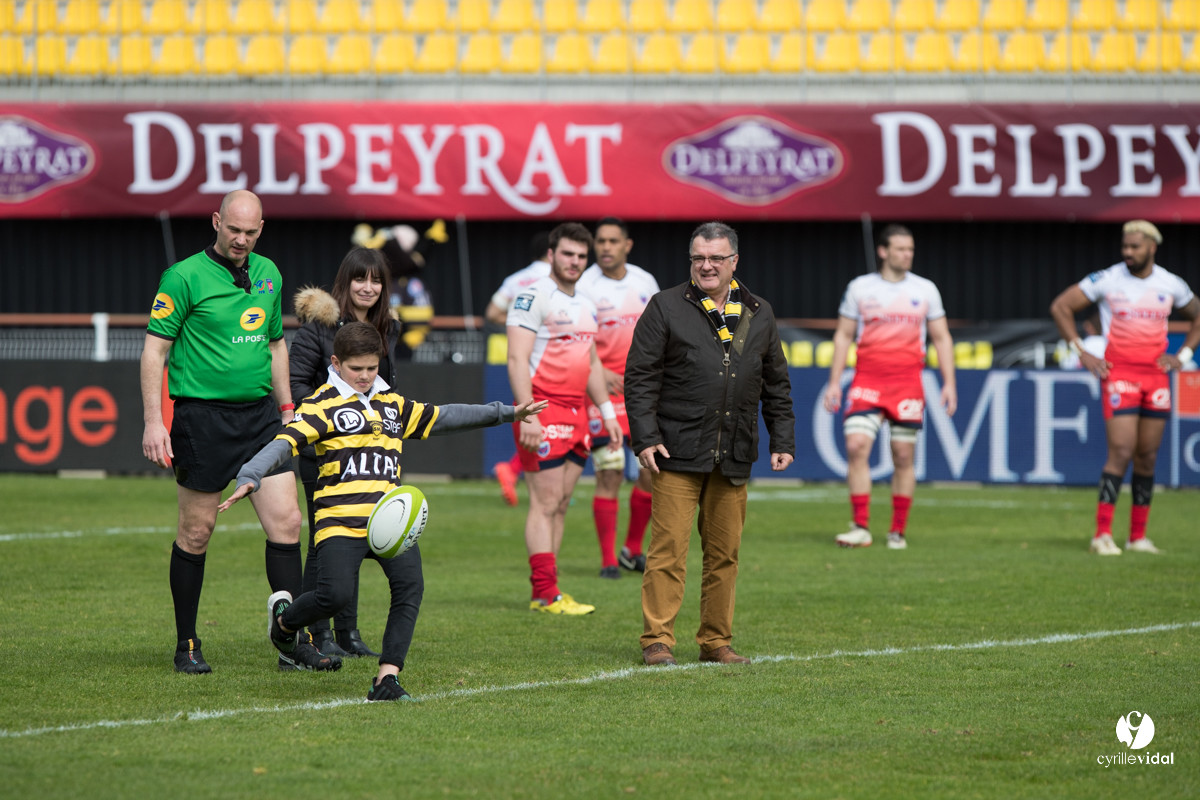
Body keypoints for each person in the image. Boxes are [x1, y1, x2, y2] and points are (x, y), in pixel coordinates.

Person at [219, 322, 547, 700]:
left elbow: (443, 417)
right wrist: (251, 474)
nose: (364, 376)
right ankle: (285, 624)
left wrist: (505, 413)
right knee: (334, 597)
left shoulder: (393, 404)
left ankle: (386, 678)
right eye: (356, 368)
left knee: (410, 587)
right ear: (336, 363)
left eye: (372, 368)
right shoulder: (320, 406)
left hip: (389, 520)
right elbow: (283, 443)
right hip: (339, 522)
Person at [141, 189, 337, 674]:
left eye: (251, 232)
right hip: (201, 420)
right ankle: (186, 643)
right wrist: (153, 421)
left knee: (288, 523)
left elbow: (275, 347)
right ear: (216, 222)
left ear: (261, 229)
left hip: (261, 419)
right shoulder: (183, 276)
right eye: (234, 230)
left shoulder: (269, 273)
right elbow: (154, 352)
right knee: (197, 530)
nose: (242, 240)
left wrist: (288, 407)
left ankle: (290, 641)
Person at [625, 221, 794, 666]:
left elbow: (776, 382)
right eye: (699, 258)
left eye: (716, 258)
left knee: (725, 556)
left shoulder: (760, 311)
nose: (706, 266)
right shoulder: (664, 306)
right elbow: (640, 377)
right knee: (668, 553)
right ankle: (657, 641)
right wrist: (644, 437)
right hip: (675, 453)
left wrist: (783, 437)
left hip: (734, 452)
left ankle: (716, 641)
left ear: (734, 261)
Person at [1049, 220, 1200, 556]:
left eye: (1134, 246)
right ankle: (1102, 534)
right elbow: (1061, 307)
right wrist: (1083, 352)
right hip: (1120, 375)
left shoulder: (1170, 284)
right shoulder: (1107, 279)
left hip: (1156, 376)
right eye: (1125, 246)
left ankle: (1137, 536)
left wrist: (1184, 354)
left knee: (1147, 457)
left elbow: (1197, 315)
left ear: (1152, 247)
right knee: (1121, 450)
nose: (1127, 252)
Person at [289, 246, 401, 658]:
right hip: (325, 454)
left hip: (371, 460)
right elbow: (297, 385)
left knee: (358, 540)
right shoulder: (318, 326)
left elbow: (387, 391)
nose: (368, 287)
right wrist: (333, 419)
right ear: (345, 282)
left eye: (376, 280)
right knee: (325, 543)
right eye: (360, 278)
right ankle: (317, 635)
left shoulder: (388, 328)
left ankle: (348, 634)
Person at [507, 223, 622, 615]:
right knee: (545, 501)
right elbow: (516, 358)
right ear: (552, 254)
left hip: (577, 413)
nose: (574, 262)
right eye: (567, 254)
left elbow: (590, 361)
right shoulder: (532, 296)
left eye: (580, 256)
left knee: (561, 503)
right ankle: (544, 592)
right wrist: (526, 413)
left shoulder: (586, 302)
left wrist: (606, 413)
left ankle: (549, 592)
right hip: (542, 407)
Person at [823, 224, 957, 551]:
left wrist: (949, 382)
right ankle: (860, 526)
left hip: (907, 382)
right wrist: (833, 382)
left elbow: (941, 337)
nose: (906, 254)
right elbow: (843, 335)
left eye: (910, 249)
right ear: (883, 251)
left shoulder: (926, 290)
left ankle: (897, 530)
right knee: (856, 446)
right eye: (899, 249)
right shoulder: (860, 288)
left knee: (903, 454)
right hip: (868, 379)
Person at [575, 217, 661, 579]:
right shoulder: (584, 285)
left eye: (613, 241)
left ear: (627, 245)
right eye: (601, 241)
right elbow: (577, 335)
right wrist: (601, 372)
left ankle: (633, 549)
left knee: (650, 472)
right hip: (601, 392)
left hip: (642, 391)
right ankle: (609, 559)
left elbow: (659, 330)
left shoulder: (645, 282)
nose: (606, 247)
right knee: (609, 473)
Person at [486, 231, 552, 506]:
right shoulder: (560, 278)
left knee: (537, 415)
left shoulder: (516, 279)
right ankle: (517, 470)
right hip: (553, 356)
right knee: (558, 417)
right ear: (553, 252)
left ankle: (535, 474)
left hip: (523, 356)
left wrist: (520, 326)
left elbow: (492, 313)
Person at [352, 220, 448, 358]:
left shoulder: (411, 284)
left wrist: (417, 332)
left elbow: (420, 310)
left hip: (402, 343)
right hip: (372, 340)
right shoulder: (375, 282)